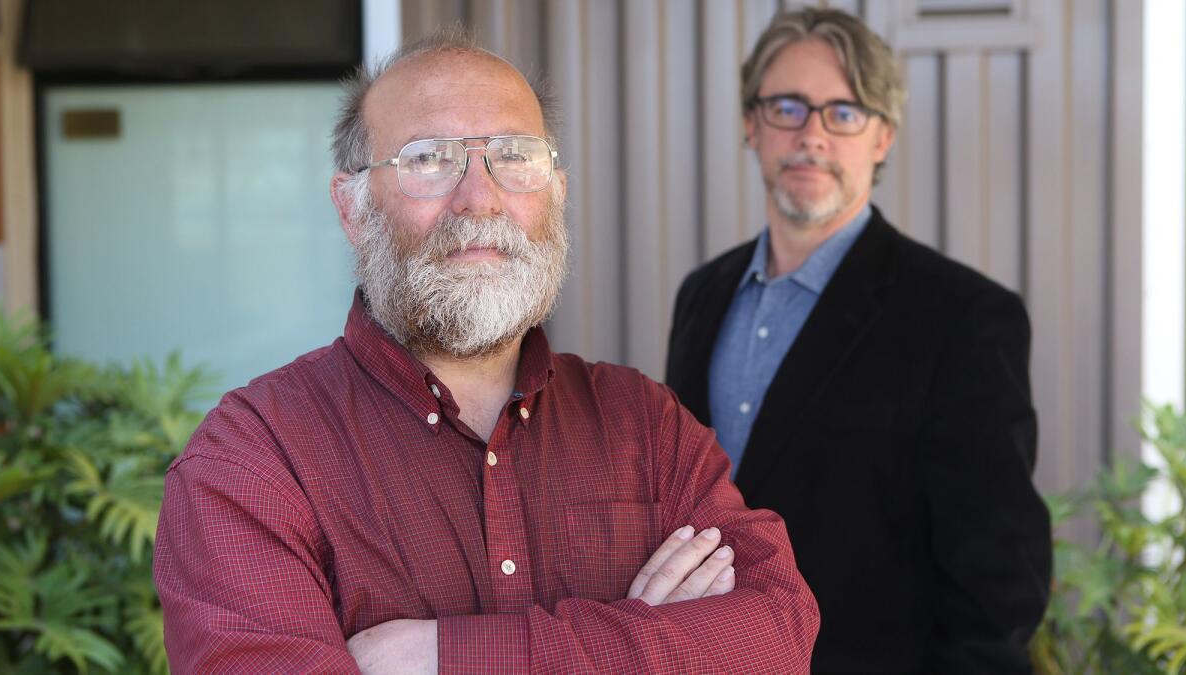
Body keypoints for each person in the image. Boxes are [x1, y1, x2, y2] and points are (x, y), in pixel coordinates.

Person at [153, 28, 819, 673]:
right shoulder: (253, 463)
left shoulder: (644, 423)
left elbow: (778, 636)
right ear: (351, 208)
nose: (480, 199)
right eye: (429, 159)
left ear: (556, 190)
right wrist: (644, 636)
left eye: (515, 156)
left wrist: (445, 657)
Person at [665, 7, 1051, 673]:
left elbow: (999, 580)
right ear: (751, 125)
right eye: (788, 107)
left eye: (843, 112)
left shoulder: (963, 317)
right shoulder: (702, 296)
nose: (812, 135)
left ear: (882, 137)